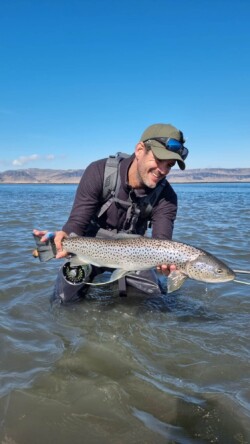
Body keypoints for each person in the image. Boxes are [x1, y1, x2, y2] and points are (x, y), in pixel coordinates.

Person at [34, 123, 188, 303]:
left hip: (135, 257)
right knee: (64, 299)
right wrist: (63, 237)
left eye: (169, 165)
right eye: (158, 159)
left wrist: (166, 265)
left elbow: (162, 242)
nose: (162, 170)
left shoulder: (167, 197)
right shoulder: (99, 172)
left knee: (155, 301)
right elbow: (77, 220)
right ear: (139, 150)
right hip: (90, 250)